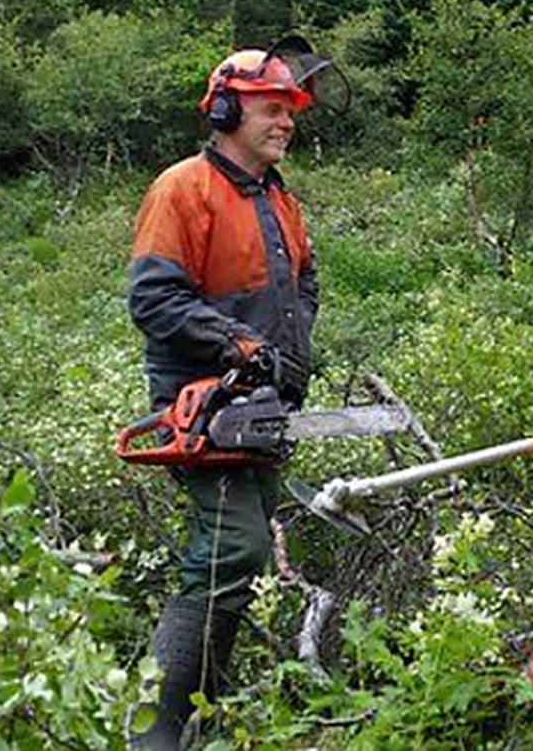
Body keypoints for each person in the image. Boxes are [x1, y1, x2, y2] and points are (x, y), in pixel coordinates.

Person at [127, 41, 323, 750]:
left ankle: (196, 702)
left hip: (266, 406)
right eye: (273, 108)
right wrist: (236, 347)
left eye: (290, 111)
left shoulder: (280, 199)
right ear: (227, 108)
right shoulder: (182, 189)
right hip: (203, 403)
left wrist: (289, 358)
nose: (286, 122)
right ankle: (155, 726)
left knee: (235, 558)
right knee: (230, 547)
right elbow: (153, 297)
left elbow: (305, 282)